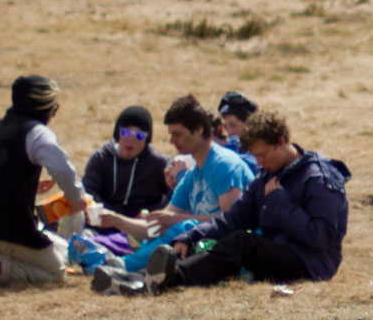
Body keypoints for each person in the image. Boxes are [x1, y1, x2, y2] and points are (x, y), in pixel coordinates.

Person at [140, 109, 350, 294]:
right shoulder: (267, 176)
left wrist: (281, 205)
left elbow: (322, 237)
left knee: (243, 243)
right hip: (277, 255)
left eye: (263, 155)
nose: (259, 163)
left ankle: (173, 281)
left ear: (281, 141)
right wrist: (191, 236)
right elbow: (233, 218)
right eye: (255, 157)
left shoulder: (318, 178)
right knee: (211, 243)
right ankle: (148, 278)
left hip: (311, 266)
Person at [87, 95, 253, 293]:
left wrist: (177, 219)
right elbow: (158, 225)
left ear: (199, 130)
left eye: (178, 134)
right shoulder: (192, 175)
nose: (172, 141)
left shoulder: (224, 164)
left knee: (185, 226)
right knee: (175, 227)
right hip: (203, 246)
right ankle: (132, 275)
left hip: (235, 251)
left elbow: (232, 221)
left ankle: (126, 268)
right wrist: (117, 221)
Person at [0, 75, 88, 287]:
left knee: (58, 246)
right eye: (54, 109)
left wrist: (28, 187)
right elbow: (62, 169)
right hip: (5, 231)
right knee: (56, 271)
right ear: (46, 108)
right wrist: (76, 199)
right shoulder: (37, 133)